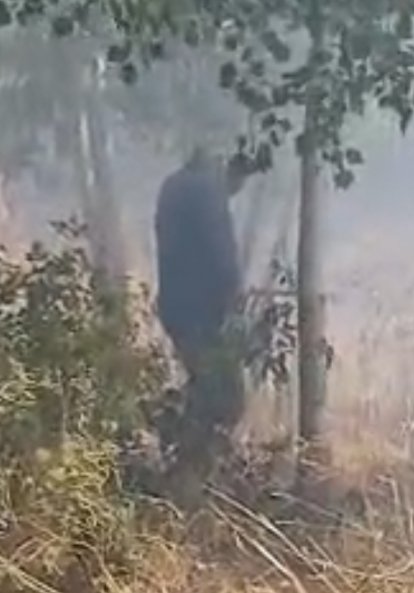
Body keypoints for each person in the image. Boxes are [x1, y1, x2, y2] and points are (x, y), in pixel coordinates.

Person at [153, 147, 248, 506]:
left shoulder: (173, 186)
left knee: (204, 387)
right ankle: (191, 479)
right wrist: (234, 297)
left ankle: (188, 471)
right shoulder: (207, 191)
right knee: (226, 397)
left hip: (176, 307)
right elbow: (222, 258)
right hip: (202, 312)